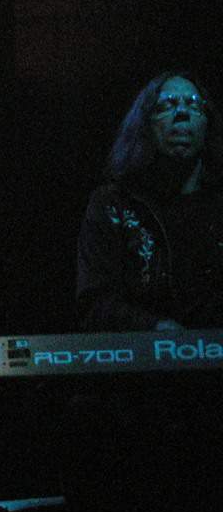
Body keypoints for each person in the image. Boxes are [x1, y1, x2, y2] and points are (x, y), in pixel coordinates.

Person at [77, 70, 223, 331]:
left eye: (193, 104)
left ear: (208, 124)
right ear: (145, 124)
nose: (182, 112)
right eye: (167, 105)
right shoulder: (113, 204)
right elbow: (95, 302)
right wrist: (156, 331)